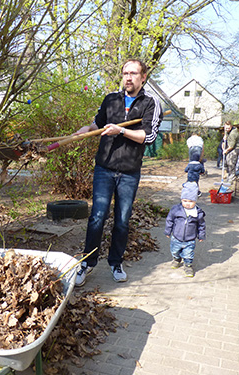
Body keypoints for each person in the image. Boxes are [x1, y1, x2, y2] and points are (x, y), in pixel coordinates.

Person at [74, 59, 162, 286]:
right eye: (125, 73)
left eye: (134, 73)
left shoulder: (151, 103)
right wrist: (86, 130)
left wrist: (121, 130)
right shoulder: (111, 99)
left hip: (129, 172)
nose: (128, 77)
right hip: (104, 167)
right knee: (97, 217)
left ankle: (116, 262)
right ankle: (87, 263)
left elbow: (149, 137)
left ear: (143, 77)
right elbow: (98, 125)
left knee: (122, 220)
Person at [164, 182, 206, 278]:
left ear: (195, 201)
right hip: (176, 237)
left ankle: (188, 266)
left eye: (191, 201)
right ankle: (176, 259)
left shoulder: (197, 213)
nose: (187, 204)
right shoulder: (176, 210)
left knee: (188, 254)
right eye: (185, 201)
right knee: (174, 250)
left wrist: (201, 235)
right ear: (181, 199)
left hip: (190, 239)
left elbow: (201, 225)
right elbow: (169, 220)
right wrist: (168, 231)